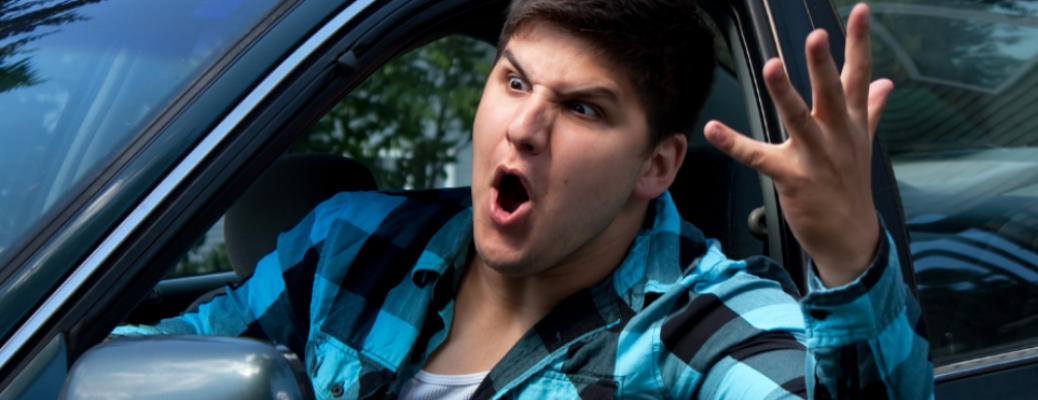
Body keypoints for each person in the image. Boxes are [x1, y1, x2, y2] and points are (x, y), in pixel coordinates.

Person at [114, 0, 934, 398]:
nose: (524, 127)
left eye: (582, 108)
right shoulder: (349, 248)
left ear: (656, 165)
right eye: (513, 81)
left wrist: (849, 258)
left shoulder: (703, 332)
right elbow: (138, 367)